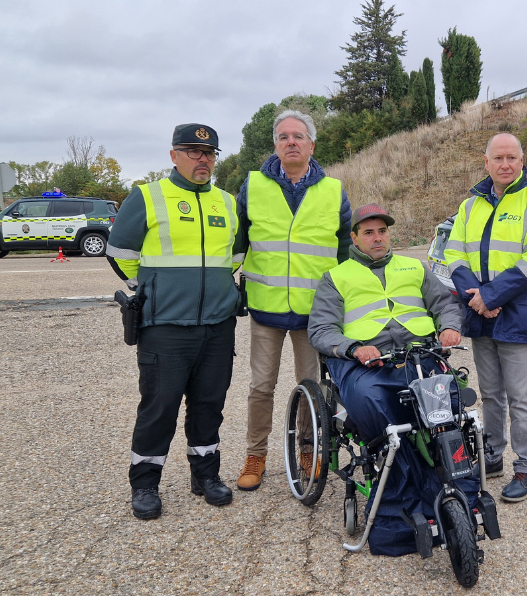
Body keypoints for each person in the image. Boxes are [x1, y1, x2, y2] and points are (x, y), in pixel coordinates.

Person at [308, 203, 466, 556]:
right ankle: (397, 507)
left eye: (382, 231)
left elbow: (444, 305)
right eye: (368, 232)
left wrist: (450, 327)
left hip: (418, 354)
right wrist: (352, 348)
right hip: (365, 363)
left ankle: (458, 490)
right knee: (377, 406)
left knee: (451, 402)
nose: (377, 238)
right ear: (355, 238)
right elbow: (320, 329)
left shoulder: (415, 267)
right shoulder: (337, 277)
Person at [107, 123, 245, 519]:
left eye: (210, 153)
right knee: (159, 406)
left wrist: (222, 292)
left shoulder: (226, 201)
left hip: (217, 326)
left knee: (209, 405)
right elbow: (119, 251)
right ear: (173, 155)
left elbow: (235, 257)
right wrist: (152, 286)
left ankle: (205, 476)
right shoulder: (148, 196)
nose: (203, 159)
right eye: (193, 151)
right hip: (165, 325)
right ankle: (145, 483)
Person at [234, 110, 351, 492]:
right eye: (283, 137)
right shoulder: (252, 186)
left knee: (311, 386)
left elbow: (345, 252)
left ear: (312, 145)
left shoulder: (334, 191)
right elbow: (237, 245)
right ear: (275, 145)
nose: (291, 142)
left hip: (313, 314)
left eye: (298, 136)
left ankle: (308, 448)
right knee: (261, 385)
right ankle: (256, 454)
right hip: (266, 309)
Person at [443, 132, 527, 502]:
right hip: (481, 312)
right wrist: (477, 298)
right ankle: (492, 454)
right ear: (486, 162)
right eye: (499, 158)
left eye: (512, 158)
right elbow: (454, 254)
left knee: (519, 395)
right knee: (491, 393)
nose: (505, 164)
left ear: (522, 161)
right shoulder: (469, 206)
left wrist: (491, 296)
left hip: (518, 312)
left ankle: (526, 466)